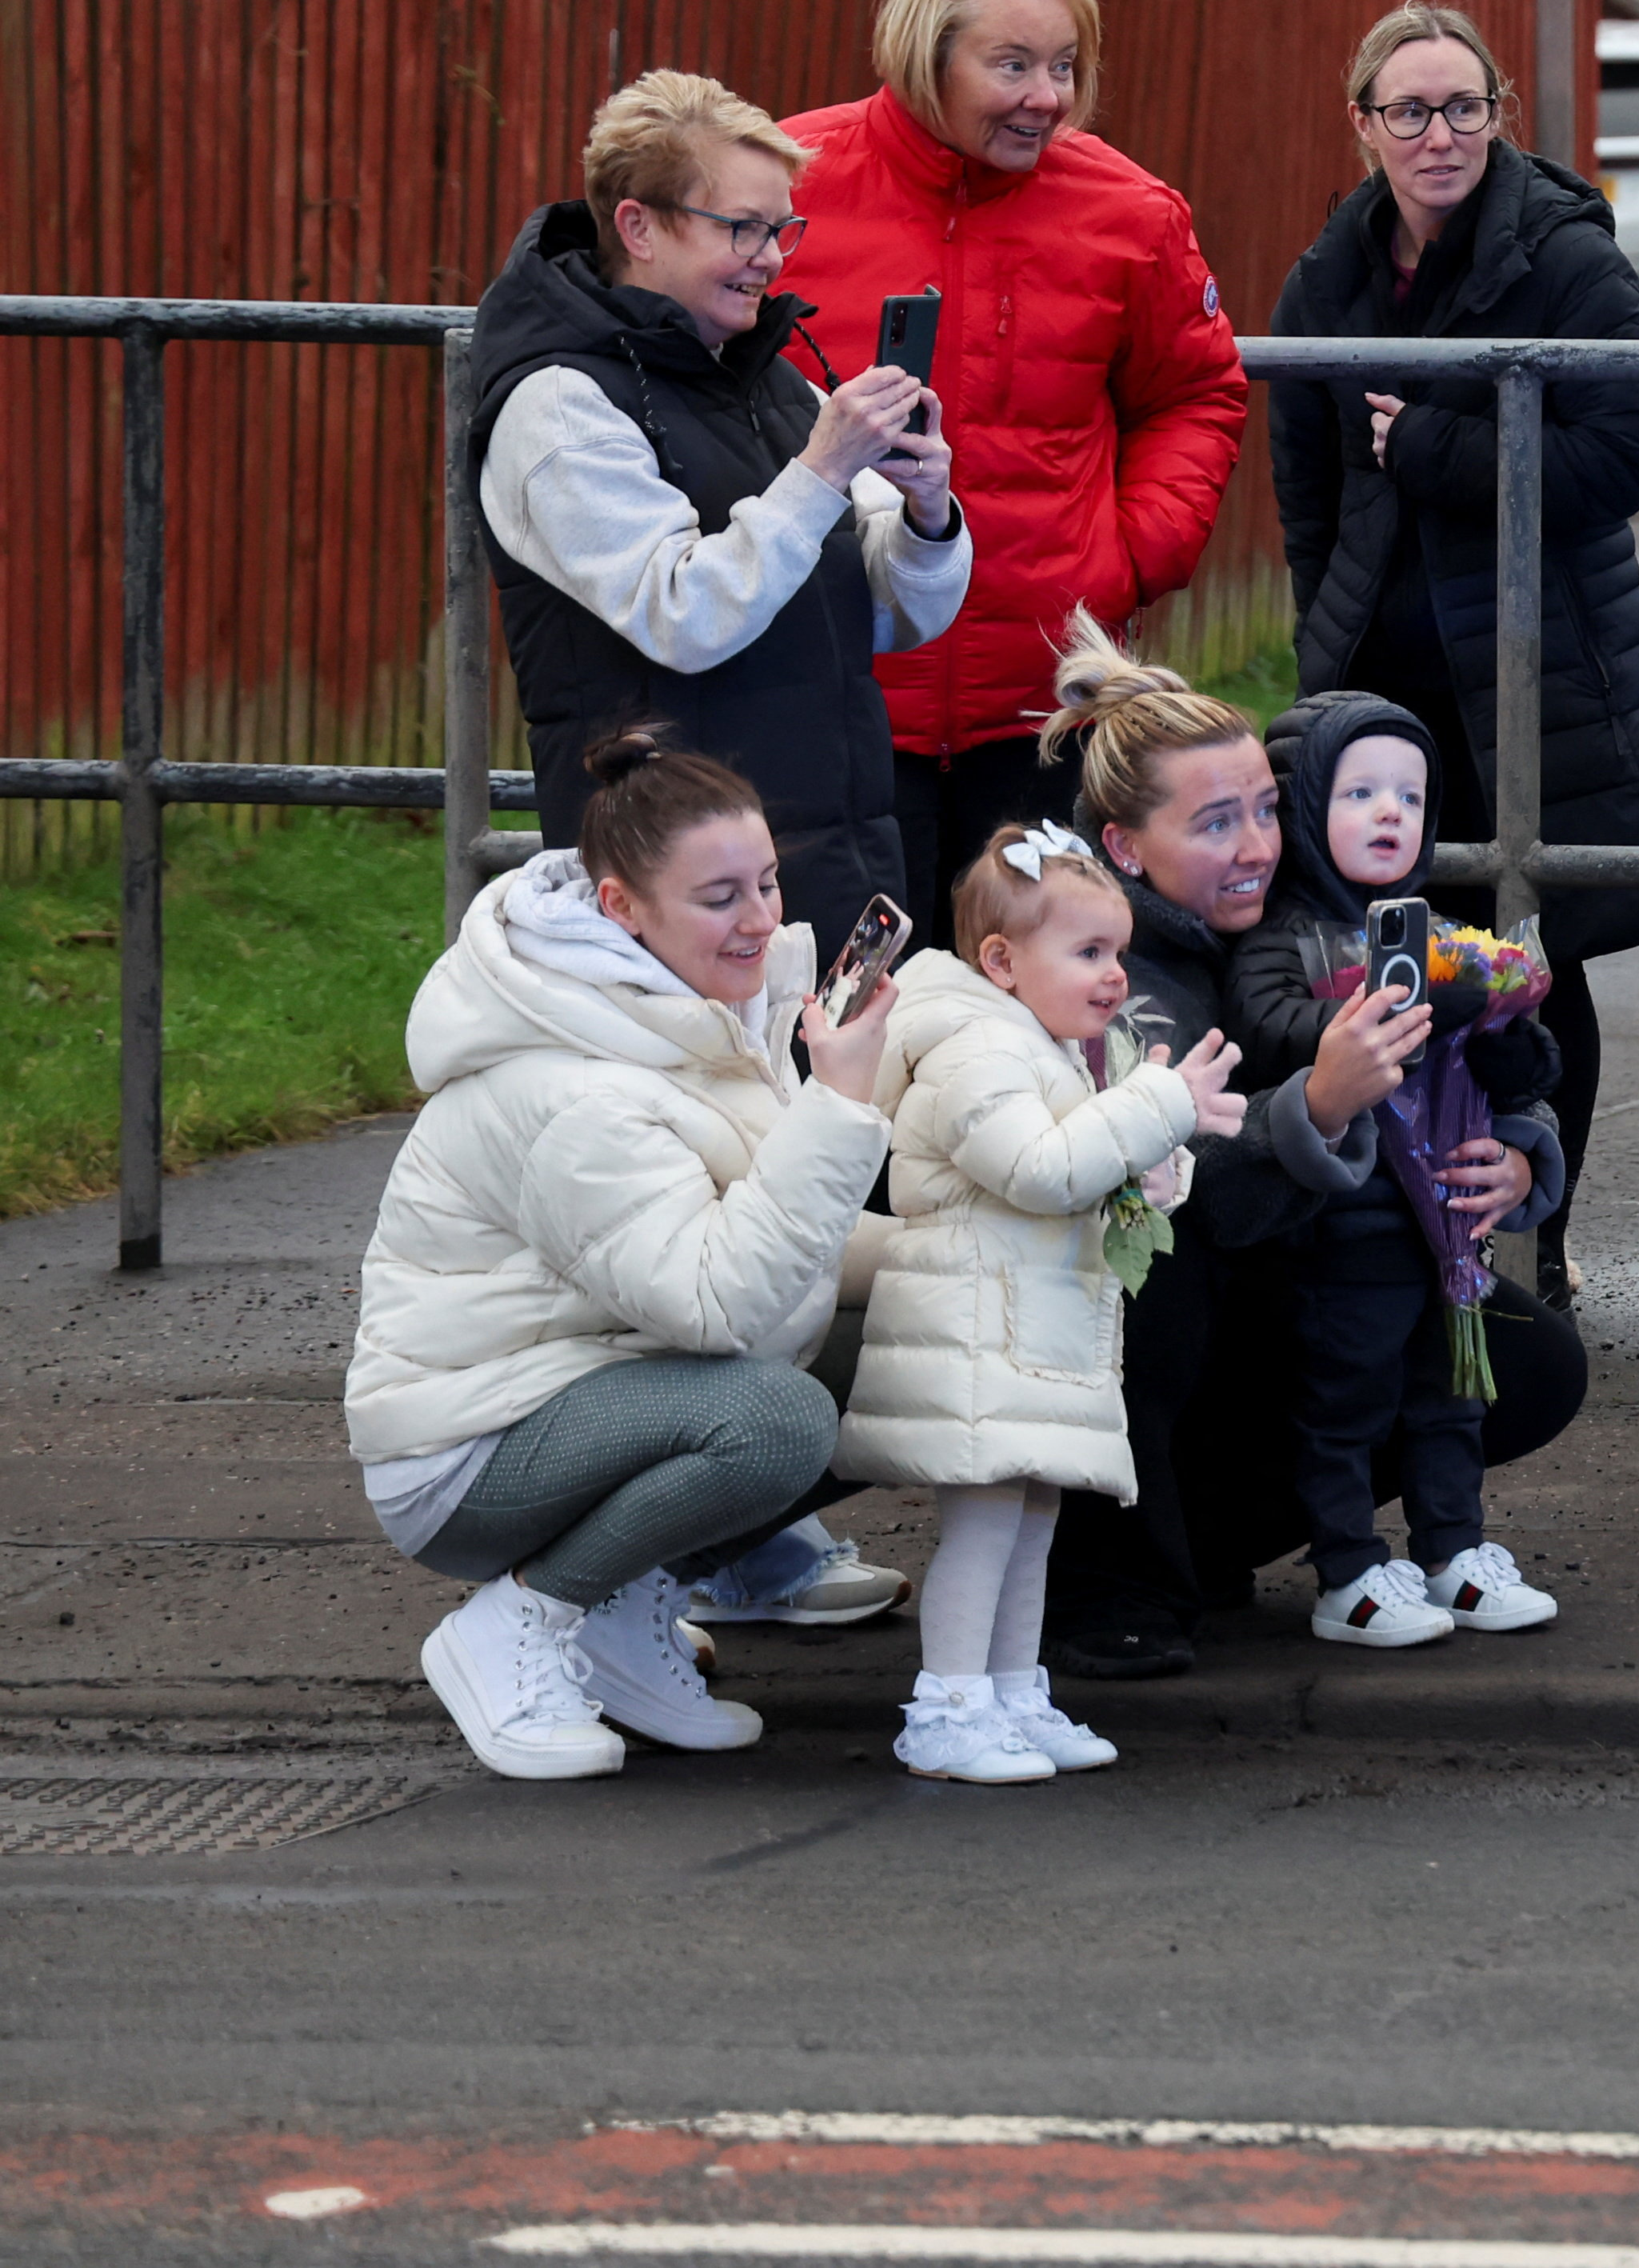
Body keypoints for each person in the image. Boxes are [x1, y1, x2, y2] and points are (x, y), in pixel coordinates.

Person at [350, 731, 894, 1782]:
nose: (761, 918)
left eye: (769, 880)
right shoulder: (578, 1090)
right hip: (466, 1451)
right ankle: (521, 1621)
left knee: (918, 1322)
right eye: (719, 895)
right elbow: (722, 1301)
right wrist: (839, 1102)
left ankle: (621, 1609)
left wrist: (950, 1258)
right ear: (619, 907)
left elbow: (764, 1239)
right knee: (776, 1421)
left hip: (590, 1388)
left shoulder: (698, 1011)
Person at [1265, 0, 1639, 1309]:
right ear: (1365, 124)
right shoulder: (1329, 273)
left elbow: (1625, 450)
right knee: (1391, 949)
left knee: (1525, 949)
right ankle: (1412, 1224)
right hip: (1384, 687)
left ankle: (1532, 1239)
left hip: (1529, 672)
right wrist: (1324, 642)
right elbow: (1307, 485)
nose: (1438, 133)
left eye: (1463, 107)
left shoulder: (1560, 257)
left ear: (1500, 115)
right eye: (1409, 110)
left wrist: (1444, 450)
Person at [785, 0, 1256, 949]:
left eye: (1064, 66)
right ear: (925, 55)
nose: (1046, 95)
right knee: (849, 1008)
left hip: (1044, 709)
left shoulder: (1129, 213)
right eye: (1012, 64)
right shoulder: (786, 186)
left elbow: (1196, 393)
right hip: (843, 697)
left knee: (1039, 1015)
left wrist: (1129, 561)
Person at [472, 72, 969, 964]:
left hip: (833, 863)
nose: (772, 257)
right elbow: (686, 616)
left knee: (838, 1103)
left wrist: (930, 517)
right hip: (668, 899)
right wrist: (821, 471)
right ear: (639, 226)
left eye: (783, 228)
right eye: (742, 228)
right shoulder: (557, 404)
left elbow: (895, 616)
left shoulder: (771, 377)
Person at [1025, 616, 1423, 1681]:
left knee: (1519, 1356)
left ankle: (1200, 1534)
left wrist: (1512, 1157)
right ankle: (1107, 1574)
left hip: (1264, 1286)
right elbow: (1173, 1202)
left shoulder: (1290, 922)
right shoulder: (1108, 970)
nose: (1256, 844)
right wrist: (1322, 1105)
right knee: (1156, 1266)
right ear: (1122, 844)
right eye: (1215, 822)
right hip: (1077, 1310)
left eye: (1264, 810)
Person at [835, 822, 1241, 1782]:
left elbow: (1084, 1172)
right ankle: (946, 1708)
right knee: (984, 1529)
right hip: (980, 1331)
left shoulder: (1041, 1046)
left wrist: (1156, 1154)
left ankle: (1014, 1690)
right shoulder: (978, 1049)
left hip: (1027, 1330)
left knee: (1030, 1522)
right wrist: (1156, 1102)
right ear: (1003, 960)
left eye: (1118, 953)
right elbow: (1038, 1170)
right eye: (1090, 952)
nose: (1113, 975)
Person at [1222, 688, 1578, 1649]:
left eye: (1411, 797)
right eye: (1361, 792)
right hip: (1344, 1233)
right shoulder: (1280, 938)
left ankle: (1454, 1551)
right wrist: (1363, 1013)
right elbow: (1268, 1025)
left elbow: (1523, 1069)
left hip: (1446, 1232)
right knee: (1344, 1402)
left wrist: (1501, 1023)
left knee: (1449, 1396)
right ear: (1304, 811)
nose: (1391, 813)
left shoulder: (1439, 930)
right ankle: (1346, 1570)